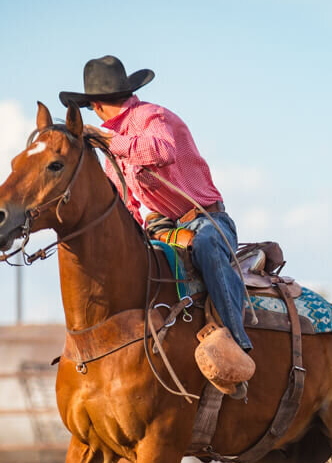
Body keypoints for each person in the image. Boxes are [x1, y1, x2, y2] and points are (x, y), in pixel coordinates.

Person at [60, 55, 253, 397]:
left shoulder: (151, 116)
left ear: (94, 106)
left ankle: (236, 342)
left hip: (207, 219)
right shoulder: (116, 143)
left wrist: (107, 141)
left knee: (207, 246)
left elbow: (161, 150)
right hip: (164, 226)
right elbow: (126, 200)